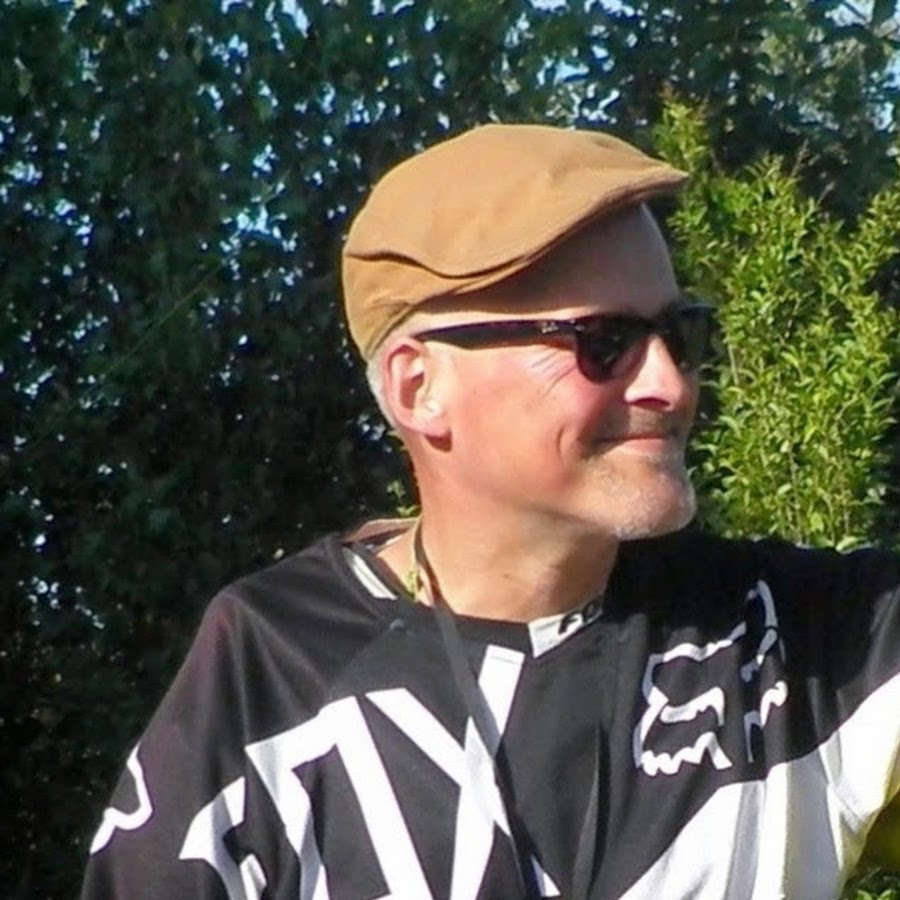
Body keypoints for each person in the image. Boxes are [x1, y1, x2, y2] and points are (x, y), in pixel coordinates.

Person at [81, 124, 900, 899]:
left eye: (679, 334)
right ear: (418, 387)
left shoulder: (800, 639)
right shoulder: (277, 669)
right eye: (602, 341)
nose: (670, 385)